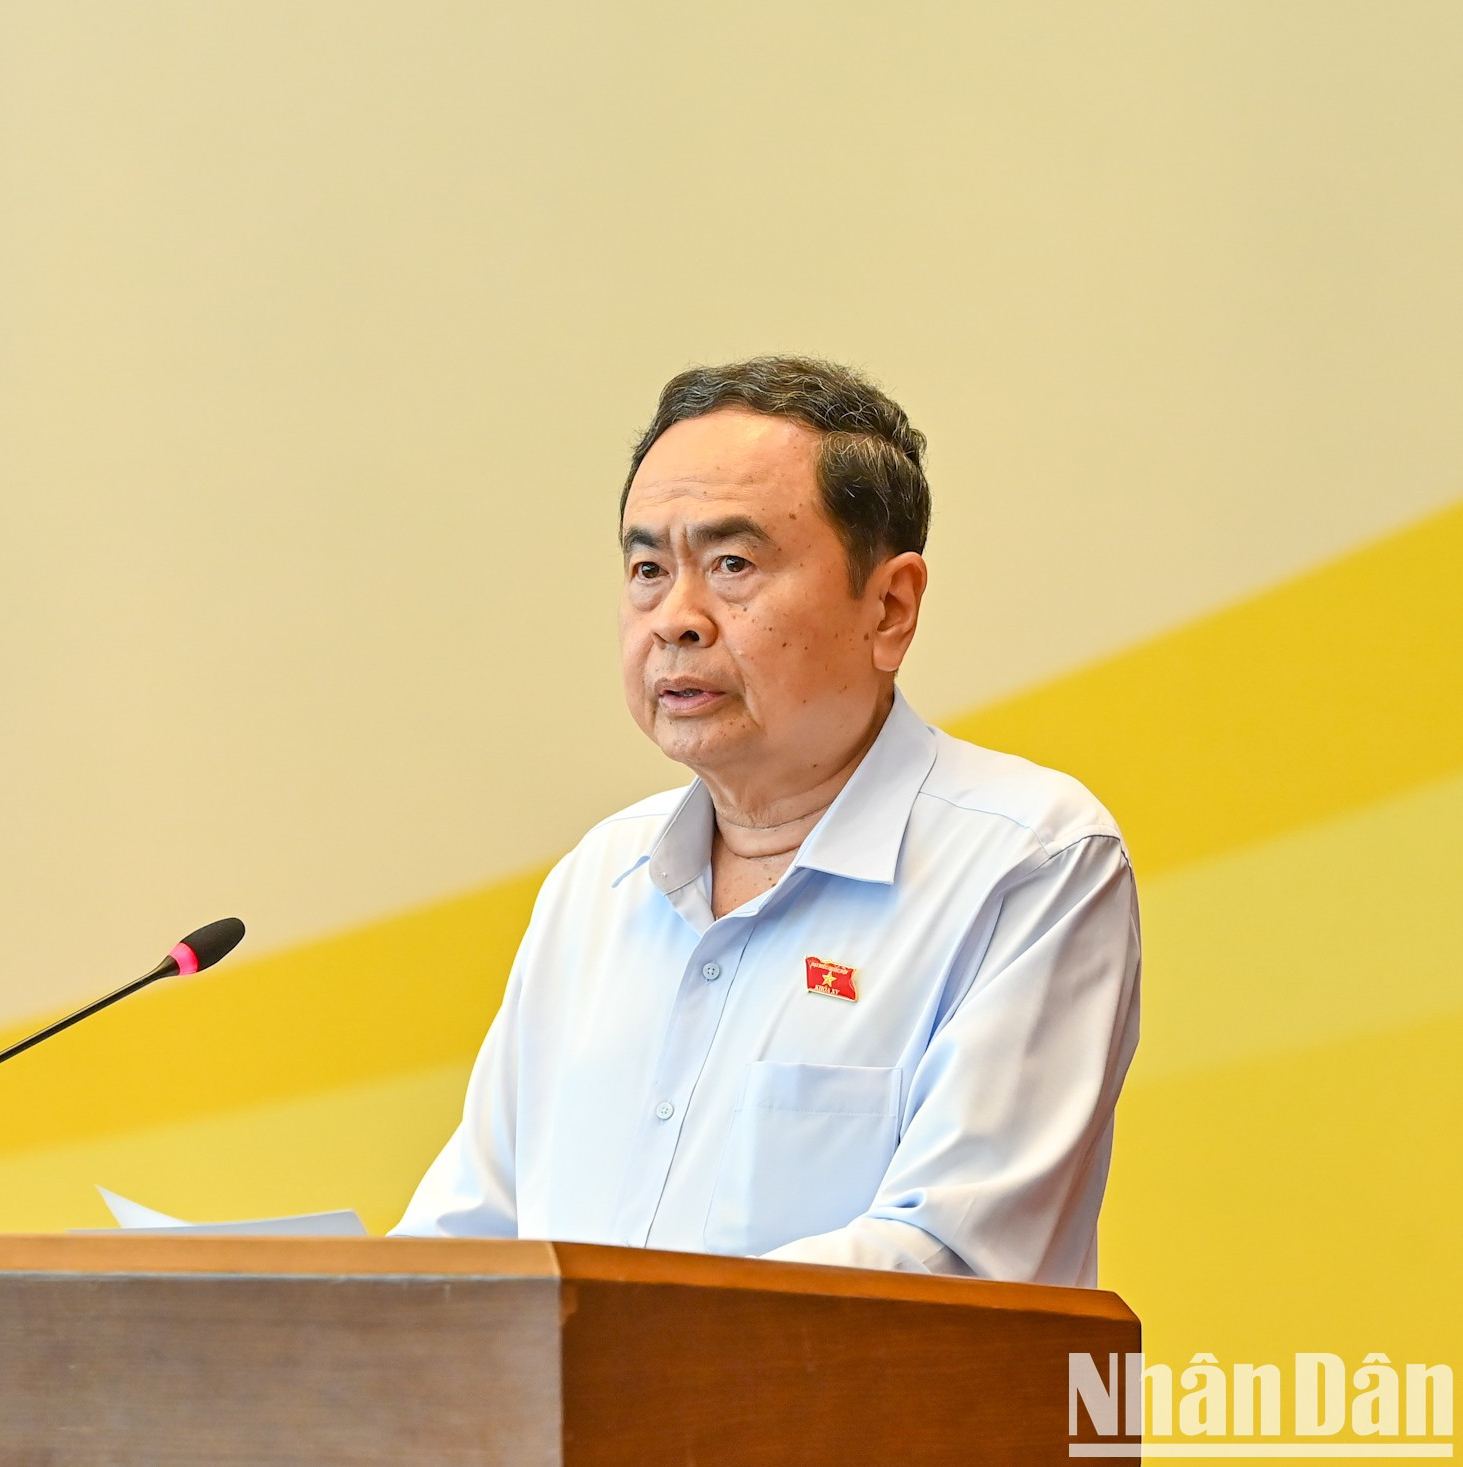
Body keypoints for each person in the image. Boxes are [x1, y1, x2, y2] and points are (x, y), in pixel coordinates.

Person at [392, 356, 1141, 1286]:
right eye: (646, 568)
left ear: (890, 607)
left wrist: (610, 1348)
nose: (676, 618)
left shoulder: (1027, 862)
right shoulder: (599, 880)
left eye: (732, 565)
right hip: (566, 1429)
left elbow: (950, 1259)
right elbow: (465, 1238)